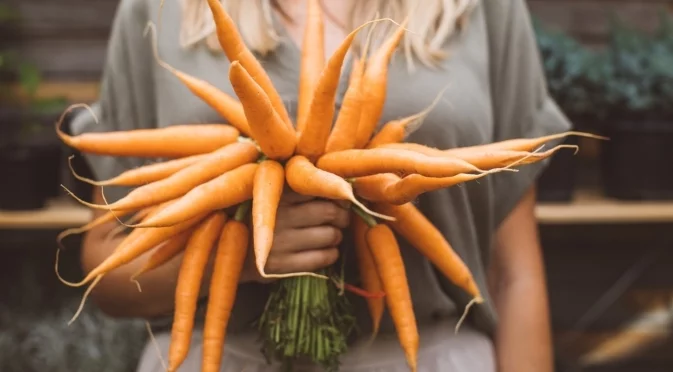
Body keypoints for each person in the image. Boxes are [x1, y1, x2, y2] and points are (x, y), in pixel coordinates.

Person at [70, 0, 570, 371]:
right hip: (219, 359)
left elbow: (514, 273)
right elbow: (107, 264)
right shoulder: (159, 7)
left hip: (432, 357)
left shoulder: (480, 8)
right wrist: (247, 254)